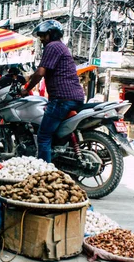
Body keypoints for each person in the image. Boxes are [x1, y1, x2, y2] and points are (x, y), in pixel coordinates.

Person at [20, 20, 85, 162]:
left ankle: (45, 172)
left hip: (62, 99)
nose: (41, 39)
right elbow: (40, 71)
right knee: (53, 131)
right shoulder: (61, 47)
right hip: (75, 98)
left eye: (43, 36)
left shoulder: (52, 47)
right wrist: (27, 78)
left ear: (50, 34)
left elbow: (40, 72)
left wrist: (26, 89)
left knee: (43, 136)